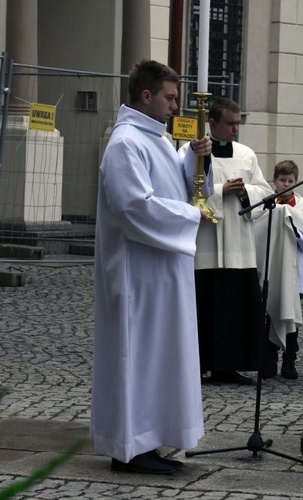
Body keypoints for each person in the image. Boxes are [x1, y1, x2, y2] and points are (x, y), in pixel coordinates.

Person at [91, 60, 213, 475]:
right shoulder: (126, 142)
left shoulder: (155, 139)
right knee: (137, 356)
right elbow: (134, 206)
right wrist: (191, 217)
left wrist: (197, 163)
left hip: (162, 269)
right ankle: (129, 447)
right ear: (147, 96)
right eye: (170, 97)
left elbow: (176, 185)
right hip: (137, 272)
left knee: (161, 354)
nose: (176, 107)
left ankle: (150, 438)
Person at [183, 97, 276, 384]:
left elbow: (264, 190)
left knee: (235, 308)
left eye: (239, 123)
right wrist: (221, 190)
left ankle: (230, 366)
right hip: (206, 245)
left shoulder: (246, 154)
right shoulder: (193, 151)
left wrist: (245, 191)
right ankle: (198, 365)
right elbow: (186, 189)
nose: (236, 129)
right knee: (205, 305)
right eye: (230, 123)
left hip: (238, 244)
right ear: (212, 123)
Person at [257, 160, 303, 379]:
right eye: (282, 180)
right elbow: (257, 230)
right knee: (270, 314)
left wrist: (289, 220)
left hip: (295, 272)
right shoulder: (265, 205)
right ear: (274, 182)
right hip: (272, 269)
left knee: (291, 315)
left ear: (296, 181)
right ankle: (269, 360)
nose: (286, 185)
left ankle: (289, 361)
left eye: (290, 181)